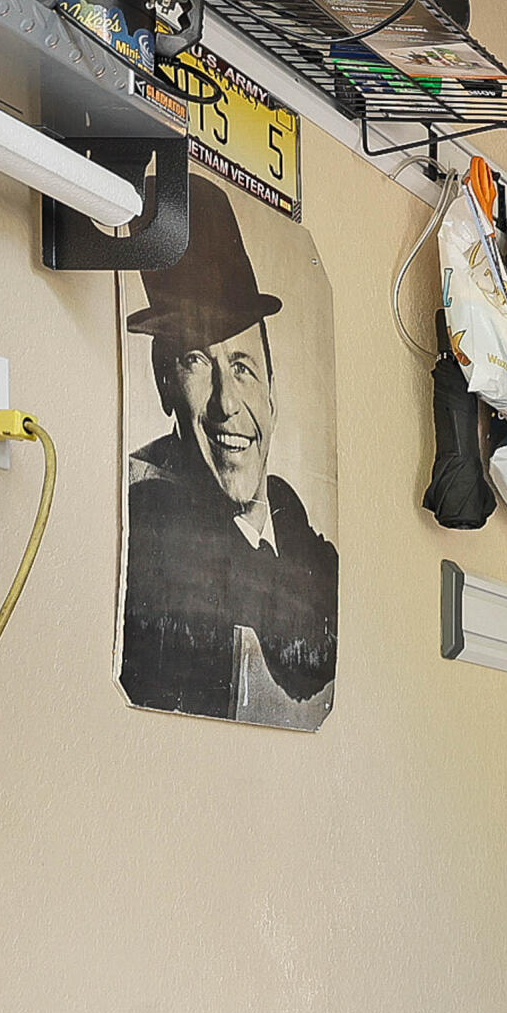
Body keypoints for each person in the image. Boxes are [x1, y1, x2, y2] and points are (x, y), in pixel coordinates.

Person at [119, 178, 338, 723]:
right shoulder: (148, 513)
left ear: (272, 388)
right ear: (164, 384)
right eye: (197, 362)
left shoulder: (284, 510)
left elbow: (307, 667)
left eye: (242, 368)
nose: (226, 404)